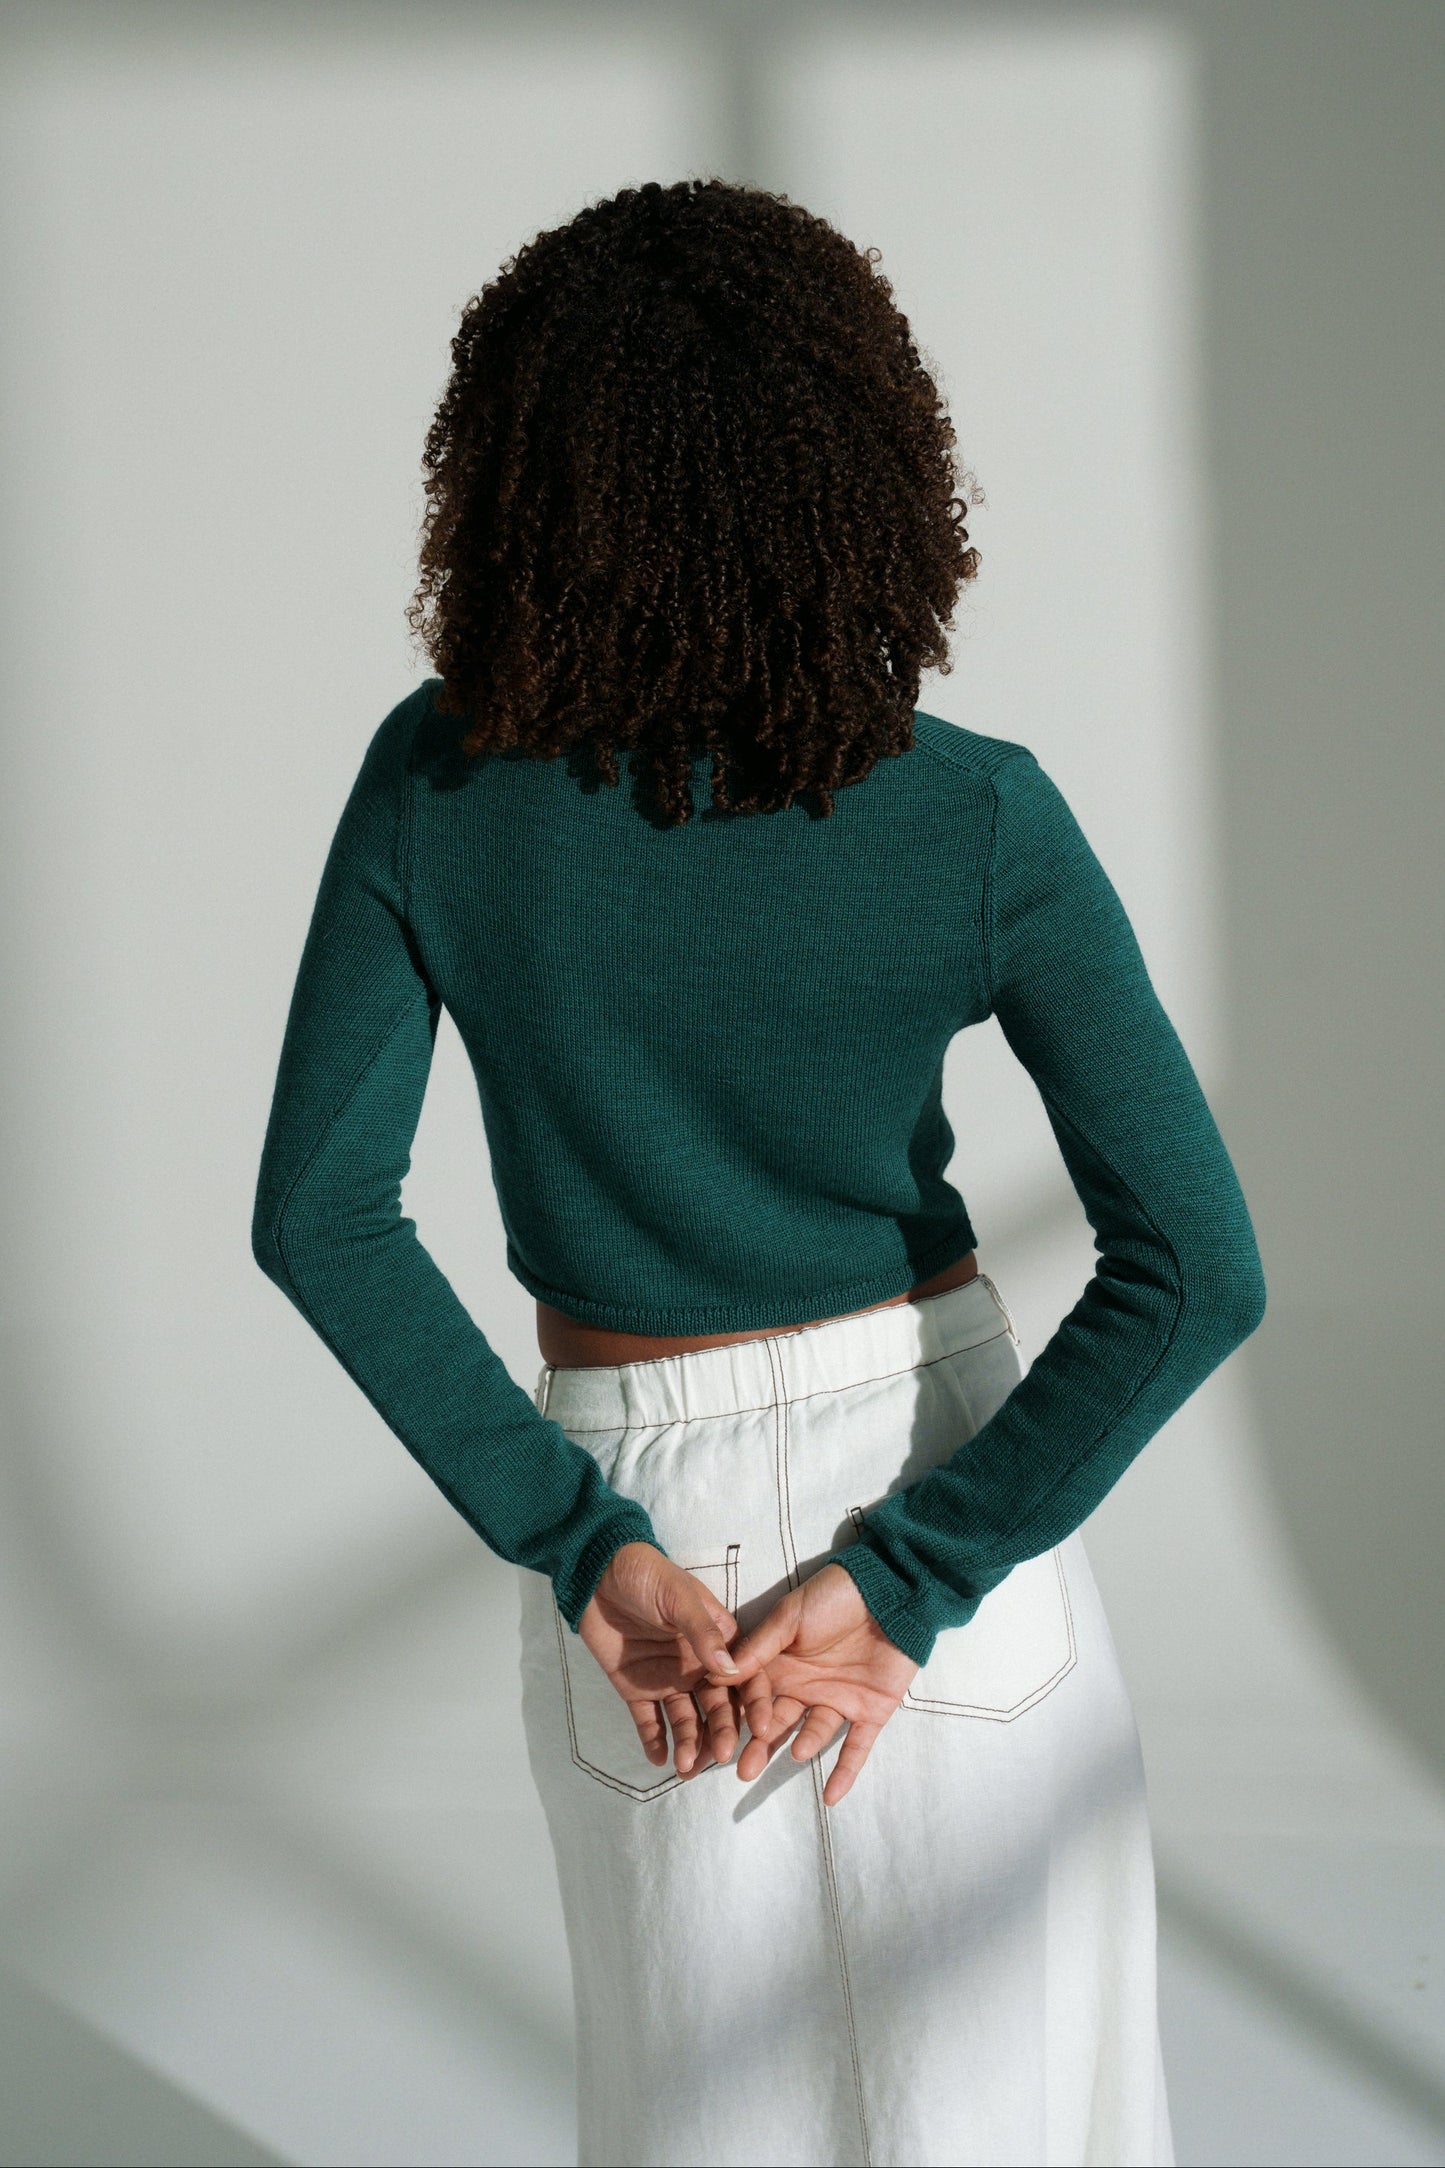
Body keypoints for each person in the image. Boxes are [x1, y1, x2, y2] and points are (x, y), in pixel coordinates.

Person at [251, 176, 1265, 2168]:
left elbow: (320, 1218)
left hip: (654, 1559)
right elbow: (1195, 1263)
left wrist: (580, 1545)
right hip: (954, 1509)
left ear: (519, 482)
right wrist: (913, 1578)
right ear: (860, 463)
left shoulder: (433, 784)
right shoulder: (978, 817)